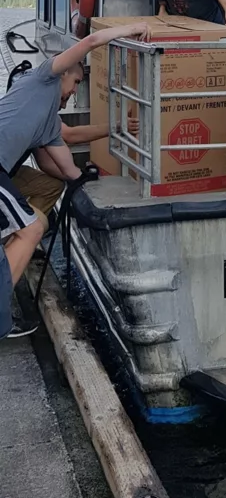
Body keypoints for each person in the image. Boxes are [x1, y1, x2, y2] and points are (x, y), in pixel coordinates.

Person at [0, 21, 149, 340]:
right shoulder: (43, 77)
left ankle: (11, 259)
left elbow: (69, 172)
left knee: (43, 202)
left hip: (4, 171)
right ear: (64, 72)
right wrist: (133, 28)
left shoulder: (49, 126)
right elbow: (93, 39)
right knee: (33, 228)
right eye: (76, 82)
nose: (72, 94)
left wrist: (93, 182)